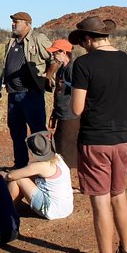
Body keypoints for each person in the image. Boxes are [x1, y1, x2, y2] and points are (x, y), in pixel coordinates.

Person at [68, 16, 127, 253]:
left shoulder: (84, 64)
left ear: (88, 39)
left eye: (82, 42)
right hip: (122, 139)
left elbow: (76, 109)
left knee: (100, 201)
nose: (82, 47)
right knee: (119, 195)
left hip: (94, 140)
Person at [0, 12, 52, 169]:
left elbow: (54, 58)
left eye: (17, 22)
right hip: (13, 94)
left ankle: (46, 166)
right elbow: (7, 65)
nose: (13, 24)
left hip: (31, 93)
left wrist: (48, 77)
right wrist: (0, 83)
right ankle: (20, 165)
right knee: (16, 131)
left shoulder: (38, 39)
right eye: (13, 22)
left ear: (27, 24)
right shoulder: (12, 42)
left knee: (38, 130)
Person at [1, 131, 74, 220]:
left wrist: (1, 176)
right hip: (65, 208)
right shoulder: (58, 158)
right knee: (27, 177)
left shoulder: (40, 166)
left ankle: (5, 210)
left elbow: (10, 176)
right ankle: (15, 205)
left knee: (18, 179)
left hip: (51, 210)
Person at [46, 39, 80, 170]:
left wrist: (65, 85)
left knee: (67, 147)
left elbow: (79, 89)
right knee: (60, 144)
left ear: (63, 52)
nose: (53, 55)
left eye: (55, 53)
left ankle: (67, 175)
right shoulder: (61, 68)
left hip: (70, 114)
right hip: (62, 112)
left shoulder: (72, 68)